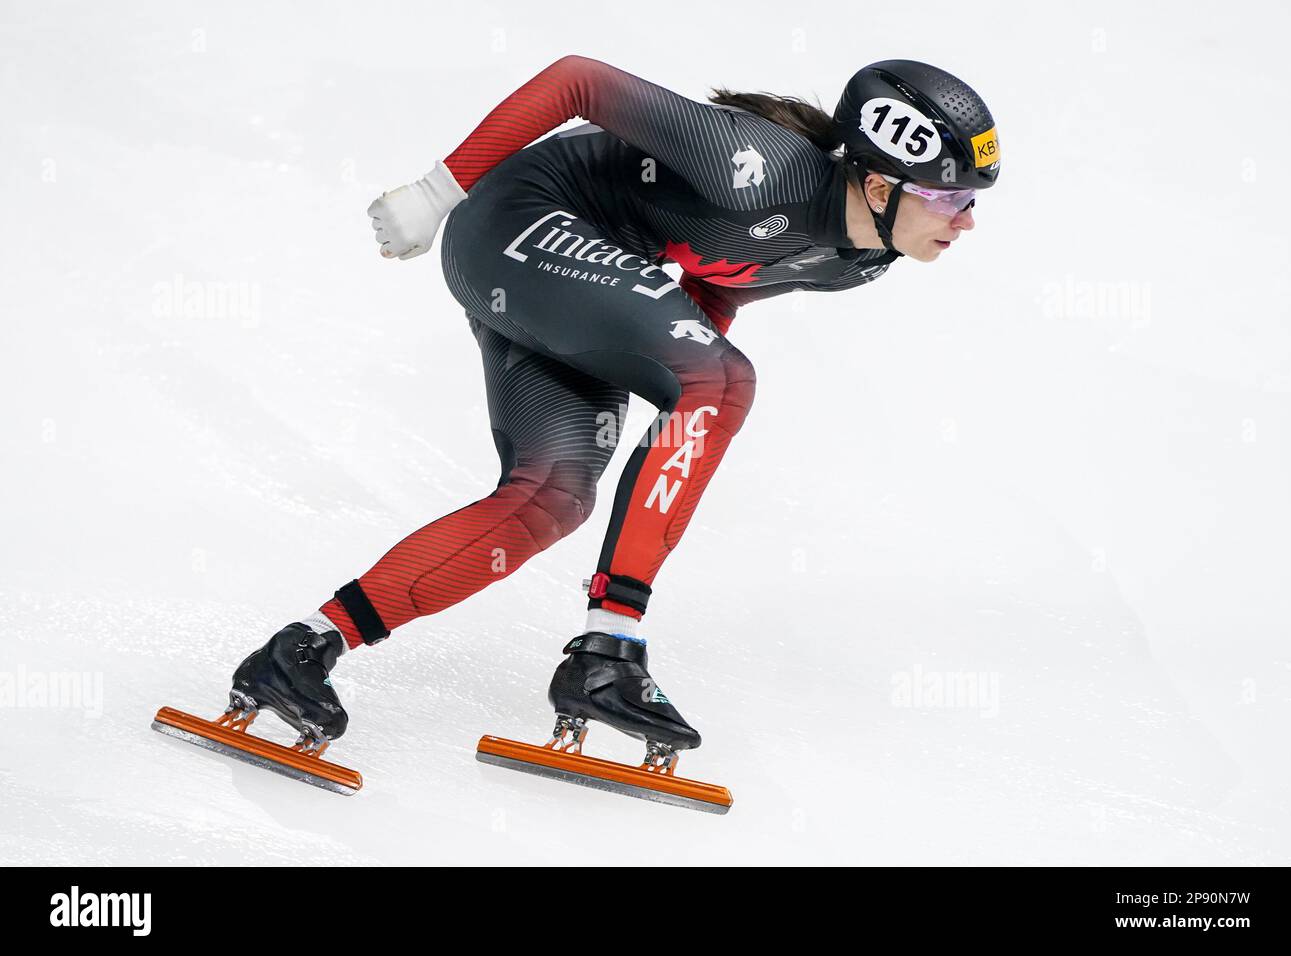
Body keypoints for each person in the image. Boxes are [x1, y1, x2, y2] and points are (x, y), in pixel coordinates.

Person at [228, 55, 1001, 771]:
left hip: (579, 278)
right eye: (950, 197)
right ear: (877, 185)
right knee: (725, 383)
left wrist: (675, 368)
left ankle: (304, 649)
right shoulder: (761, 165)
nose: (966, 220)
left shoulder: (859, 261)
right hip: (519, 221)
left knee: (552, 498)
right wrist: (437, 191)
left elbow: (719, 279)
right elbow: (581, 80)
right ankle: (609, 653)